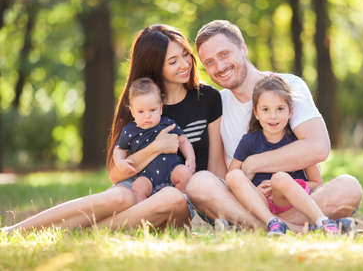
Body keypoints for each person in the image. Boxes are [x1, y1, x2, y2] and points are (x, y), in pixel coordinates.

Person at [2, 24, 226, 233]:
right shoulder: (140, 103)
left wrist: (216, 209)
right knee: (117, 198)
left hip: (182, 197)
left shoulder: (207, 98)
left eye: (186, 54)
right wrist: (155, 148)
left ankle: (93, 232)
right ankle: (14, 231)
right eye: (173, 61)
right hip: (139, 188)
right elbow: (116, 173)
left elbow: (216, 165)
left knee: (171, 198)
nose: (186, 64)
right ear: (154, 66)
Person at [186, 20, 363, 233]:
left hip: (296, 199)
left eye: (224, 55)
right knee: (199, 183)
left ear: (243, 48)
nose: (220, 67)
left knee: (349, 187)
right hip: (248, 203)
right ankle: (294, 228)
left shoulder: (288, 86)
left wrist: (253, 163)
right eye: (210, 62)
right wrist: (249, 189)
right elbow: (220, 176)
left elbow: (318, 147)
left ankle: (267, 228)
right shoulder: (218, 103)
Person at [227, 75, 339, 235]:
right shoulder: (249, 141)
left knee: (280, 178)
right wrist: (254, 189)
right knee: (234, 176)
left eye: (280, 109)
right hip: (261, 202)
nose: (273, 116)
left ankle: (323, 221)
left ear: (290, 112)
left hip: (289, 200)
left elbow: (316, 182)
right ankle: (274, 223)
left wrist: (288, 186)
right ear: (256, 113)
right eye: (265, 109)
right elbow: (231, 181)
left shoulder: (298, 143)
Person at [114, 77, 195, 202]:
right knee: (137, 189)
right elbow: (120, 149)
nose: (147, 116)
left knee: (185, 174)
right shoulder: (129, 130)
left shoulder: (168, 124)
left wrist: (190, 158)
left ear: (161, 108)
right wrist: (119, 161)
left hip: (172, 169)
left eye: (152, 110)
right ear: (132, 111)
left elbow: (183, 140)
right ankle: (145, 214)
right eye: (140, 111)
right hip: (146, 176)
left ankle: (179, 203)